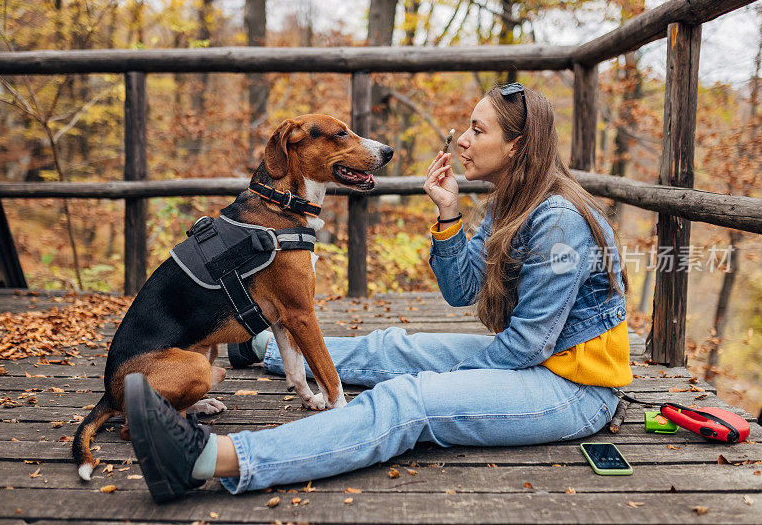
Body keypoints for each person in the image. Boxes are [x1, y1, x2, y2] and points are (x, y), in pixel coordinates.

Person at [123, 82, 632, 504]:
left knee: (408, 401)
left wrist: (442, 380)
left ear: (517, 145)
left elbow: (527, 346)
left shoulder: (560, 222)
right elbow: (461, 293)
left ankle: (204, 459)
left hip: (572, 387)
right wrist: (449, 215)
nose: (462, 141)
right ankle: (255, 345)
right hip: (540, 361)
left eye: (478, 131)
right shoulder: (509, 203)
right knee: (392, 346)